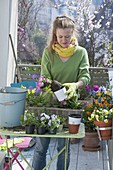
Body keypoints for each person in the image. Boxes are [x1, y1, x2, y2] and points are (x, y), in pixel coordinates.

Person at [32, 15, 90, 170]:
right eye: (60, 37)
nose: (64, 40)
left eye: (68, 36)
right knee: (40, 148)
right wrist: (55, 89)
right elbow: (44, 78)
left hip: (68, 107)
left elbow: (85, 76)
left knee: (63, 149)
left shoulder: (80, 53)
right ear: (55, 36)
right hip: (48, 105)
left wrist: (74, 86)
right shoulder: (48, 53)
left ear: (73, 35)